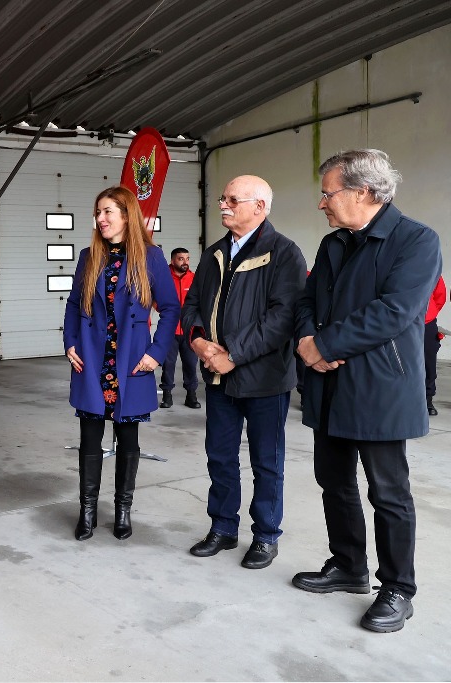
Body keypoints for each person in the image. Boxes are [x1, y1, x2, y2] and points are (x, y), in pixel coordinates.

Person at [292, 149, 441, 633]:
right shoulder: (335, 243)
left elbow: (395, 312)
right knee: (333, 481)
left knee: (388, 493)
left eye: (328, 192)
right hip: (329, 383)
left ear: (363, 192)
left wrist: (325, 345)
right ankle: (349, 566)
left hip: (379, 386)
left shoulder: (416, 240)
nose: (322, 203)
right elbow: (307, 299)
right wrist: (306, 341)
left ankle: (398, 588)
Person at [182, 175, 306, 570]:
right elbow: (193, 304)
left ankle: (266, 536)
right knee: (219, 456)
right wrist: (199, 342)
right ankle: (223, 527)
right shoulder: (214, 253)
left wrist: (233, 354)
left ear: (260, 207)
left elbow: (282, 318)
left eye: (233, 199)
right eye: (223, 198)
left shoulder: (284, 253)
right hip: (218, 378)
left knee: (266, 461)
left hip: (265, 380)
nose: (224, 204)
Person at [64, 186, 180, 541]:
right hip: (92, 358)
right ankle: (87, 512)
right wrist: (70, 342)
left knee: (128, 439)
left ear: (127, 216)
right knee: (89, 438)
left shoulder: (151, 256)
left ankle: (123, 510)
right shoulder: (89, 255)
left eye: (107, 212)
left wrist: (155, 353)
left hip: (131, 360)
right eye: (98, 213)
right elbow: (72, 304)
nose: (100, 219)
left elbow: (171, 307)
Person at [158, 247, 200, 409]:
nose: (185, 262)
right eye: (181, 259)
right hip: (169, 330)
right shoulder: (164, 277)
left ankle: (191, 396)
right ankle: (167, 396)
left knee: (190, 363)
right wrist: (162, 310)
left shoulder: (194, 278)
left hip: (189, 330)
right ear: (173, 260)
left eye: (187, 259)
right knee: (168, 364)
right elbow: (155, 297)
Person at [424, 276, 446, 415]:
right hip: (399, 322)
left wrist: (430, 314)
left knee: (428, 362)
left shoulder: (431, 267)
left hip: (426, 322)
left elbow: (440, 296)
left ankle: (428, 401)